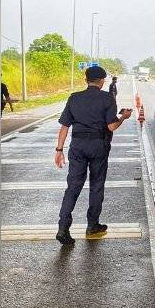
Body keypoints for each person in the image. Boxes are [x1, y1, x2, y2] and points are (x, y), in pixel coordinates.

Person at [53, 65, 133, 245]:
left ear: (86, 80)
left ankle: (63, 227)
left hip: (78, 146)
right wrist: (123, 117)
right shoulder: (107, 98)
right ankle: (92, 225)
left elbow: (64, 126)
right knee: (96, 185)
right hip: (98, 146)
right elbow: (111, 126)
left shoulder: (74, 98)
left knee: (73, 187)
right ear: (102, 81)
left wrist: (59, 150)